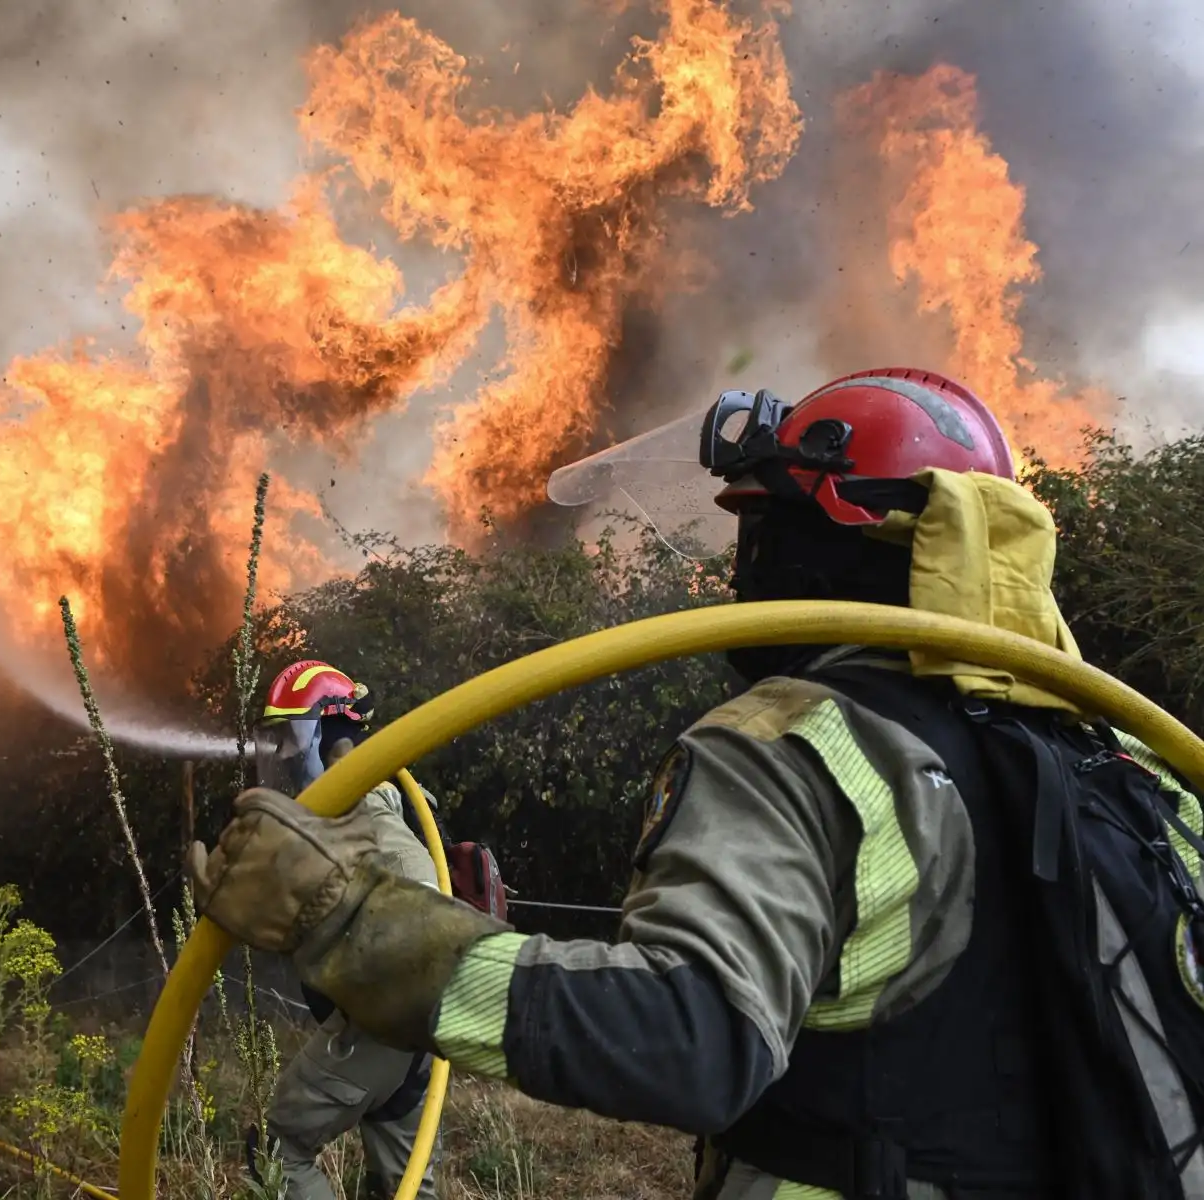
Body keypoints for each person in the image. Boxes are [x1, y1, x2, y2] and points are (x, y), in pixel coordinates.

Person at [187, 367, 1204, 1200]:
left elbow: (694, 1037)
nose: (740, 569)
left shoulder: (795, 744)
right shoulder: (1129, 761)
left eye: (761, 530)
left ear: (837, 536)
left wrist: (345, 918)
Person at [247, 658, 443, 1200]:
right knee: (402, 1186)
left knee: (274, 1154)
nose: (283, 754)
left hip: (378, 1030)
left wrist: (369, 993)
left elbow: (424, 899)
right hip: (412, 1040)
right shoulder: (363, 805)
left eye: (290, 737)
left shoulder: (364, 811)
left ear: (327, 732)